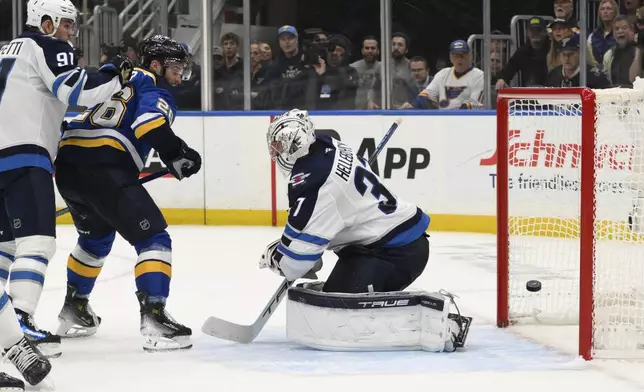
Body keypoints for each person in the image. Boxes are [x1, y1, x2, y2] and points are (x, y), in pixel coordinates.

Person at [259, 109, 471, 352]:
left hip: (395, 253)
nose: (274, 152)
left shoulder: (314, 184)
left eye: (278, 145)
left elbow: (294, 264)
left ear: (295, 143)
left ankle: (440, 323)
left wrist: (277, 257)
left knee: (338, 316)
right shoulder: (327, 143)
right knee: (328, 303)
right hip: (379, 245)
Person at [0, 0, 132, 387]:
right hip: (25, 156)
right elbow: (74, 89)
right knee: (38, 243)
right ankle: (20, 320)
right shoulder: (46, 45)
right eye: (67, 25)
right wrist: (114, 74)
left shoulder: (5, 51)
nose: (71, 33)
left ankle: (5, 326)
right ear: (46, 22)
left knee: (6, 248)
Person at [53, 35, 201, 352]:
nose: (179, 77)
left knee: (95, 239)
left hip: (67, 164)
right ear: (157, 65)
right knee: (154, 238)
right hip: (106, 165)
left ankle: (74, 309)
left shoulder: (114, 74)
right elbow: (149, 125)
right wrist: (179, 152)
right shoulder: (155, 86)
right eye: (176, 69)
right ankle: (155, 317)